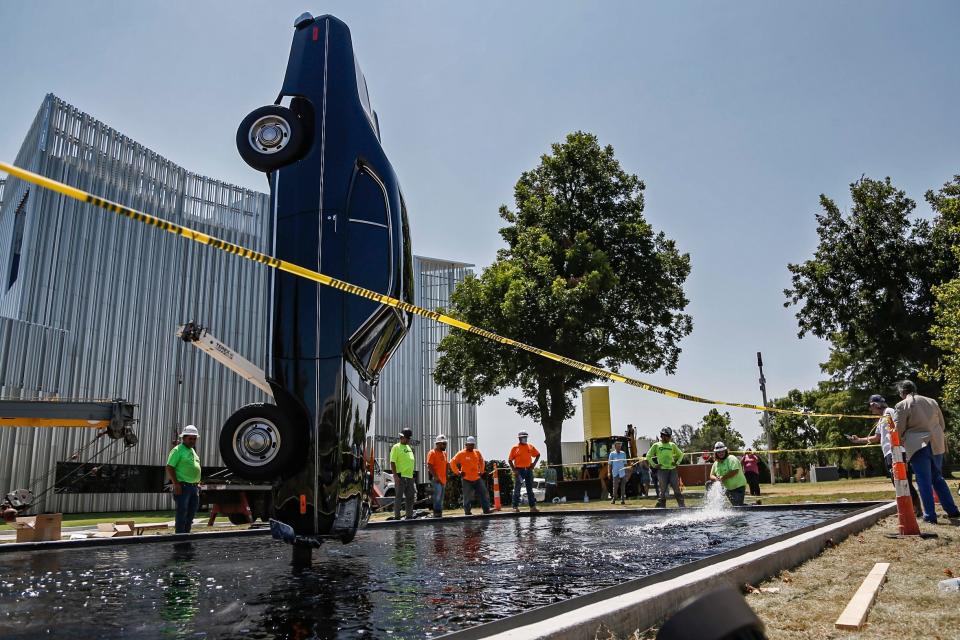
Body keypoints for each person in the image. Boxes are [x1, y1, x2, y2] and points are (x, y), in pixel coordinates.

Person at [893, 380, 960, 524]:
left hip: (918, 446)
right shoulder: (932, 401)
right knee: (938, 478)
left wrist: (903, 439)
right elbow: (941, 424)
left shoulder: (902, 405)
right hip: (936, 443)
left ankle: (930, 516)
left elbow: (898, 431)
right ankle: (952, 510)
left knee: (923, 481)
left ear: (902, 392)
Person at [846, 394, 921, 516]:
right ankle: (908, 509)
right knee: (896, 481)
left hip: (897, 451)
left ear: (875, 404)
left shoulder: (889, 412)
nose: (870, 410)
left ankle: (916, 509)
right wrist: (858, 440)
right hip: (889, 453)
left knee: (904, 481)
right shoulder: (881, 419)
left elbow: (898, 428)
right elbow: (877, 438)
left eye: (871, 407)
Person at [166, 425, 202, 534]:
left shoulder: (192, 451)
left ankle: (186, 536)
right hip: (183, 487)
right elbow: (169, 466)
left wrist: (198, 483)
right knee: (182, 513)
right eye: (190, 438)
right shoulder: (177, 450)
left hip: (194, 487)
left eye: (194, 438)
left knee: (191, 514)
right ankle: (180, 537)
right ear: (183, 438)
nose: (192, 441)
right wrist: (176, 484)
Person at [451, 436, 491, 515]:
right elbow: (452, 462)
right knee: (467, 497)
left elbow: (482, 461)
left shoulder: (477, 452)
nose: (471, 446)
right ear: (466, 444)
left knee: (484, 493)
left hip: (477, 478)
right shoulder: (461, 453)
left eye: (472, 445)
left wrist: (481, 471)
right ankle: (467, 512)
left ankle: (486, 510)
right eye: (470, 444)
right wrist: (458, 472)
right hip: (466, 479)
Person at [647, 427, 685, 508]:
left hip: (672, 470)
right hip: (662, 471)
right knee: (663, 491)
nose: (669, 438)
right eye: (668, 436)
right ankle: (662, 508)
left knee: (676, 489)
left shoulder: (672, 445)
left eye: (670, 436)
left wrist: (677, 463)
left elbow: (681, 454)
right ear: (662, 435)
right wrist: (654, 465)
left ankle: (682, 507)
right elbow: (648, 456)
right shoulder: (656, 445)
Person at [508, 430, 541, 513]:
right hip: (519, 471)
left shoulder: (530, 446)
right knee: (517, 489)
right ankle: (515, 507)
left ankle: (532, 507)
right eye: (523, 437)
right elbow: (510, 460)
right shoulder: (515, 448)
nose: (525, 438)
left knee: (530, 489)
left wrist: (534, 464)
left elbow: (537, 454)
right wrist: (514, 470)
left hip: (528, 470)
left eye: (526, 437)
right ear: (519, 438)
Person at [390, 427, 416, 520]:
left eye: (409, 438)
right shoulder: (396, 447)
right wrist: (395, 476)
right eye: (407, 438)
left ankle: (409, 517)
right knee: (399, 497)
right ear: (402, 437)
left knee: (410, 498)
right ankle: (397, 517)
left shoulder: (409, 447)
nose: (409, 440)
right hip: (400, 476)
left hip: (410, 477)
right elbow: (392, 462)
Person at [709, 441, 747, 506]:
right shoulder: (716, 463)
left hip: (738, 487)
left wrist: (722, 478)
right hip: (728, 489)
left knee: (738, 506)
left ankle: (754, 507)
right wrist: (716, 478)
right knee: (736, 506)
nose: (721, 453)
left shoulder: (731, 458)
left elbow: (735, 471)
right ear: (716, 453)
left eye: (722, 451)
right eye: (718, 452)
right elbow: (711, 475)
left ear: (725, 451)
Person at [427, 434, 448, 518]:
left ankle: (439, 514)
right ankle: (436, 513)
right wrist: (435, 476)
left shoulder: (444, 453)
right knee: (437, 496)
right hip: (436, 479)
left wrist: (446, 476)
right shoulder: (432, 453)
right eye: (443, 444)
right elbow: (429, 465)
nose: (445, 445)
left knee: (441, 498)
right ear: (438, 444)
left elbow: (446, 464)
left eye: (445, 443)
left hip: (443, 479)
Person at [608, 440, 629, 505]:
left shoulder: (623, 453)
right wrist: (609, 472)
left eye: (620, 446)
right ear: (615, 447)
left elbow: (625, 464)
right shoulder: (612, 454)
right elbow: (609, 464)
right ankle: (614, 499)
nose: (619, 447)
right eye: (618, 446)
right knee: (615, 487)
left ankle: (622, 500)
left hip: (622, 472)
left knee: (623, 487)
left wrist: (627, 473)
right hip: (615, 472)